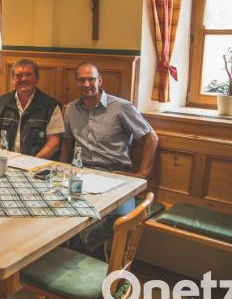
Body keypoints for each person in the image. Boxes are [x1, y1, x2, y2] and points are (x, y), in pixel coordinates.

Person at [61, 61, 159, 256]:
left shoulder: (121, 107)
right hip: (80, 173)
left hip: (114, 174)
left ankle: (76, 246)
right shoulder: (71, 109)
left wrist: (142, 173)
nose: (87, 84)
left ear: (100, 81)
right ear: (76, 82)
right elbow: (67, 141)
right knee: (58, 206)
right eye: (82, 80)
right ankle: (85, 259)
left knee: (120, 214)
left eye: (91, 79)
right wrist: (63, 167)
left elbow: (151, 138)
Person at [0, 59, 64, 158]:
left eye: (28, 75)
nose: (23, 79)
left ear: (37, 78)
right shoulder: (1, 102)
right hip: (4, 160)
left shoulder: (51, 106)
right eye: (18, 75)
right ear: (13, 79)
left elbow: (53, 144)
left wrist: (32, 162)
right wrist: (1, 156)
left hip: (36, 163)